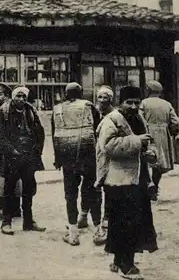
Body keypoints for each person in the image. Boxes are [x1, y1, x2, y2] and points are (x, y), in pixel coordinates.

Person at [96, 86, 158, 279]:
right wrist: (137, 141)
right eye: (128, 102)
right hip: (118, 179)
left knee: (131, 222)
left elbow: (149, 142)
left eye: (136, 102)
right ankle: (127, 265)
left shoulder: (139, 119)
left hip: (138, 178)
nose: (133, 106)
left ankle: (118, 260)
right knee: (125, 222)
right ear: (120, 103)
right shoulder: (111, 120)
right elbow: (108, 146)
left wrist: (151, 154)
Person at [51, 82, 101, 246]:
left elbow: (55, 136)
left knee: (70, 194)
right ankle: (98, 230)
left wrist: (57, 159)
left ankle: (73, 233)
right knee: (92, 191)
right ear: (81, 93)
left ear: (66, 94)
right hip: (88, 156)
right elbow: (98, 130)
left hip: (67, 157)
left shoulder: (57, 109)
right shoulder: (88, 106)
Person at [0, 86, 46, 235]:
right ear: (13, 97)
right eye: (18, 97)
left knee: (29, 189)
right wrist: (12, 151)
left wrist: (37, 150)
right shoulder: (3, 112)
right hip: (11, 157)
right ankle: (6, 222)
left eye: (24, 97)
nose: (21, 99)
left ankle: (28, 222)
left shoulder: (30, 111)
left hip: (28, 156)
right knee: (9, 189)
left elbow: (39, 131)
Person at [140, 80, 179, 201]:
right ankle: (155, 186)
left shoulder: (144, 103)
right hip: (163, 134)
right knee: (159, 163)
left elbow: (139, 118)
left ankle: (148, 184)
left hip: (148, 133)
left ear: (148, 90)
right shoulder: (167, 104)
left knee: (146, 160)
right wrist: (172, 132)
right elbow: (176, 122)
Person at [0, 83, 21, 222]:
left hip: (2, 150)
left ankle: (0, 209)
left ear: (7, 95)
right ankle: (14, 209)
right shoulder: (9, 109)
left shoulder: (3, 110)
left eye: (0, 94)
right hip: (10, 149)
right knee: (12, 179)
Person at [93, 85, 115, 246]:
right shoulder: (95, 112)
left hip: (108, 154)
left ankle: (106, 217)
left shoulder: (114, 114)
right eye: (99, 97)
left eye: (105, 98)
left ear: (110, 99)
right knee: (94, 185)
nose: (101, 101)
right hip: (95, 153)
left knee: (108, 185)